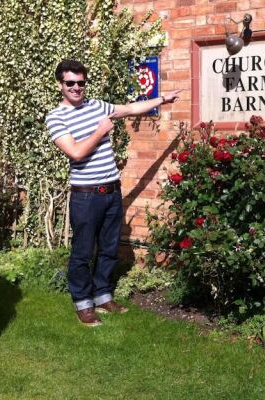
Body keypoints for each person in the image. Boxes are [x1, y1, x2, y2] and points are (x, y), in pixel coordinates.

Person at [46, 59, 181, 327]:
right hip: (85, 195)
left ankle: (103, 296)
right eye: (70, 83)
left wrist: (163, 99)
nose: (76, 88)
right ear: (60, 84)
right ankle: (83, 303)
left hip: (111, 190)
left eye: (80, 83)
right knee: (83, 252)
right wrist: (100, 131)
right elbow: (75, 152)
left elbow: (131, 108)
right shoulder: (56, 116)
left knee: (109, 248)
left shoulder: (98, 106)